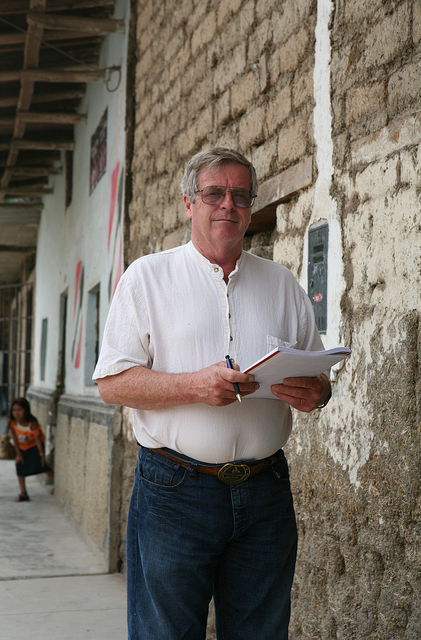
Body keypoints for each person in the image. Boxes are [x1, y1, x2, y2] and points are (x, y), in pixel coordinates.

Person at [93, 147, 332, 640]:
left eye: (240, 195)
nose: (228, 204)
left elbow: (318, 374)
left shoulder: (282, 283)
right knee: (166, 633)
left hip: (266, 492)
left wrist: (317, 393)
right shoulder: (147, 278)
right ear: (188, 204)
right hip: (174, 492)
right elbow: (112, 383)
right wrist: (192, 386)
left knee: (261, 633)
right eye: (214, 193)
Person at [8, 398, 53, 502]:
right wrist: (18, 455)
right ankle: (23, 493)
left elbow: (38, 441)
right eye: (14, 410)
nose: (17, 413)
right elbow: (15, 439)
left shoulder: (32, 424)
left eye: (20, 410)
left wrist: (41, 456)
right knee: (20, 468)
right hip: (22, 448)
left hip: (34, 448)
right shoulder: (13, 423)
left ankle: (58, 485)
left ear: (26, 410)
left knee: (43, 466)